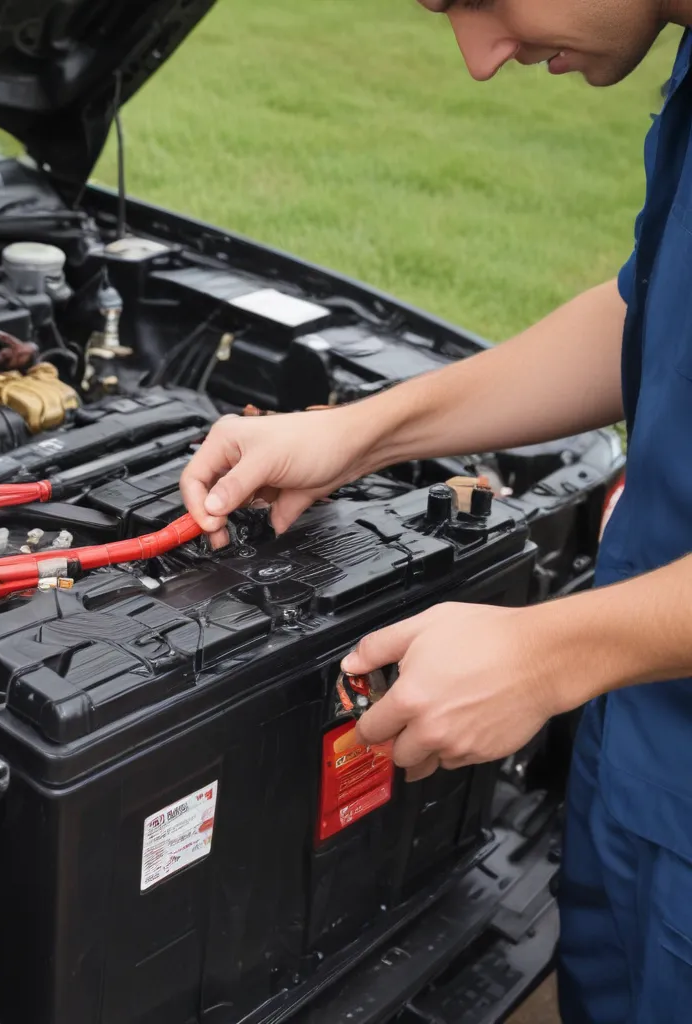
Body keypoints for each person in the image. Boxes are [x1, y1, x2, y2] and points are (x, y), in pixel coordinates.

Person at [178, 2, 692, 1020]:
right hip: (638, 740)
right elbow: (649, 308)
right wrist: (358, 431)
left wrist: (554, 649)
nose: (478, 55)